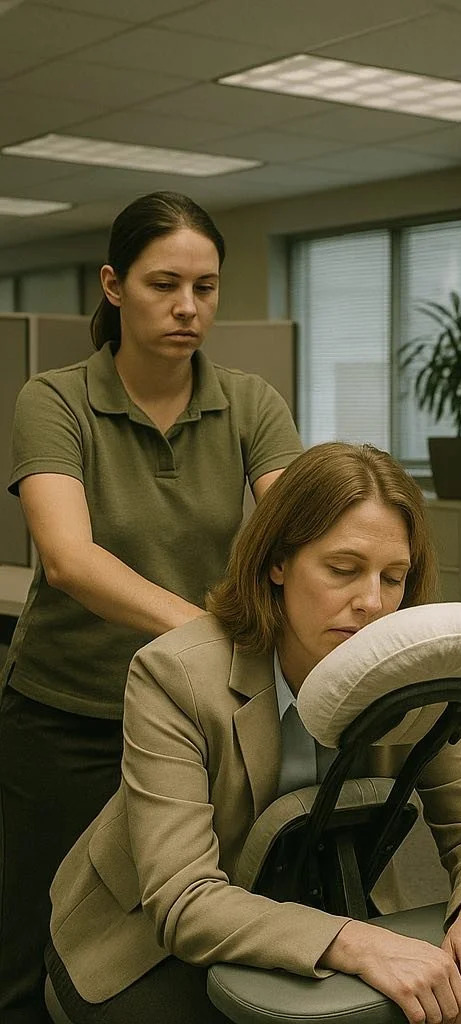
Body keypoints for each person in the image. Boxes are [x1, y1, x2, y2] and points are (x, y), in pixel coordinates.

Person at [45, 441, 461, 1024]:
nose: (372, 603)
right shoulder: (174, 675)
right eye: (342, 570)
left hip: (316, 906)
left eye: (394, 577)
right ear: (278, 562)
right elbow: (184, 900)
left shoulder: (413, 673)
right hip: (144, 939)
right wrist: (357, 942)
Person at [0, 192, 303, 1024]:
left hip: (187, 716)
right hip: (69, 710)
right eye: (164, 284)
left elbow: (297, 531)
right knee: (30, 937)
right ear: (113, 285)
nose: (187, 307)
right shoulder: (54, 399)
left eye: (205, 288)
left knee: (171, 924)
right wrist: (213, 634)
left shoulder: (249, 402)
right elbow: (69, 559)